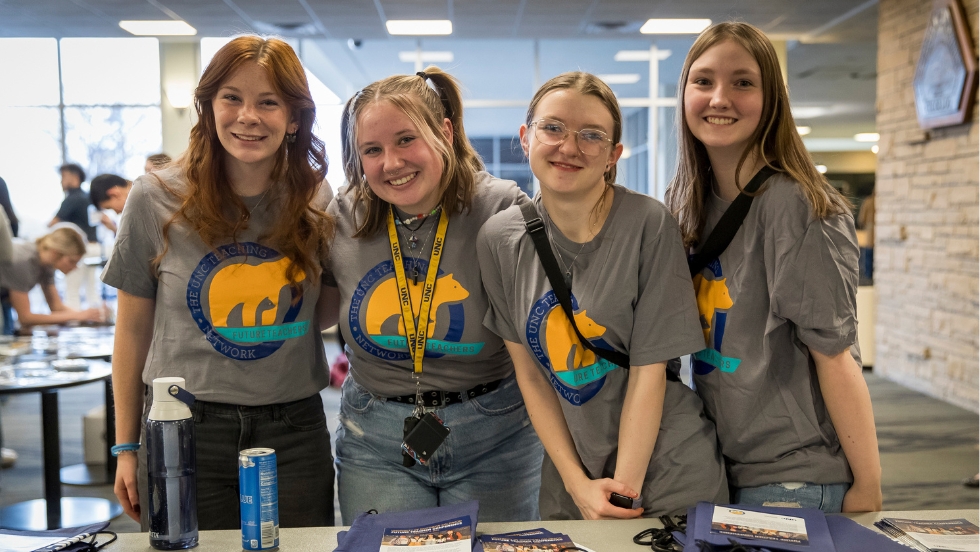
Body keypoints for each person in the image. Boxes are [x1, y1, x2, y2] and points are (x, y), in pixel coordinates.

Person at [102, 35, 337, 530]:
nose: (248, 115)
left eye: (268, 102)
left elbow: (325, 312)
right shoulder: (155, 196)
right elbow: (131, 331)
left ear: (294, 118)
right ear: (208, 107)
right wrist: (125, 446)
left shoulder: (316, 198)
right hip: (184, 425)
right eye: (232, 97)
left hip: (293, 428)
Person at [476, 72, 728, 521]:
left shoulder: (648, 224)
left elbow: (649, 372)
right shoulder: (499, 239)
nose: (569, 147)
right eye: (552, 128)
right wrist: (577, 485)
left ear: (612, 156)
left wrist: (619, 498)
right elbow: (531, 378)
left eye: (591, 135)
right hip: (570, 482)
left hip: (666, 472)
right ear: (525, 136)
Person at [663, 22, 882, 513]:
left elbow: (836, 356)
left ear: (772, 100)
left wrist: (868, 486)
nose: (720, 98)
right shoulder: (685, 205)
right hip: (720, 464)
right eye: (703, 81)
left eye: (743, 82)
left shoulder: (799, 206)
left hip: (795, 475)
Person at [322, 66, 542, 524]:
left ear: (444, 131)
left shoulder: (503, 208)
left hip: (495, 433)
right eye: (372, 150)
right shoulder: (343, 216)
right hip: (377, 437)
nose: (391, 163)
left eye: (405, 140)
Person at [0, 226, 101, 327]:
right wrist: (78, 315)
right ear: (55, 253)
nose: (75, 267)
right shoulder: (24, 261)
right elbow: (25, 317)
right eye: (72, 261)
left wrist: (89, 316)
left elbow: (56, 307)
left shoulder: (47, 264)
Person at [51, 163, 100, 309]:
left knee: (72, 290)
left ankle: (73, 320)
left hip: (79, 250)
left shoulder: (72, 199)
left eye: (63, 176)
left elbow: (54, 222)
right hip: (94, 247)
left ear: (75, 177)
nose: (61, 181)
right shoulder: (89, 198)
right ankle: (96, 317)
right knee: (92, 289)